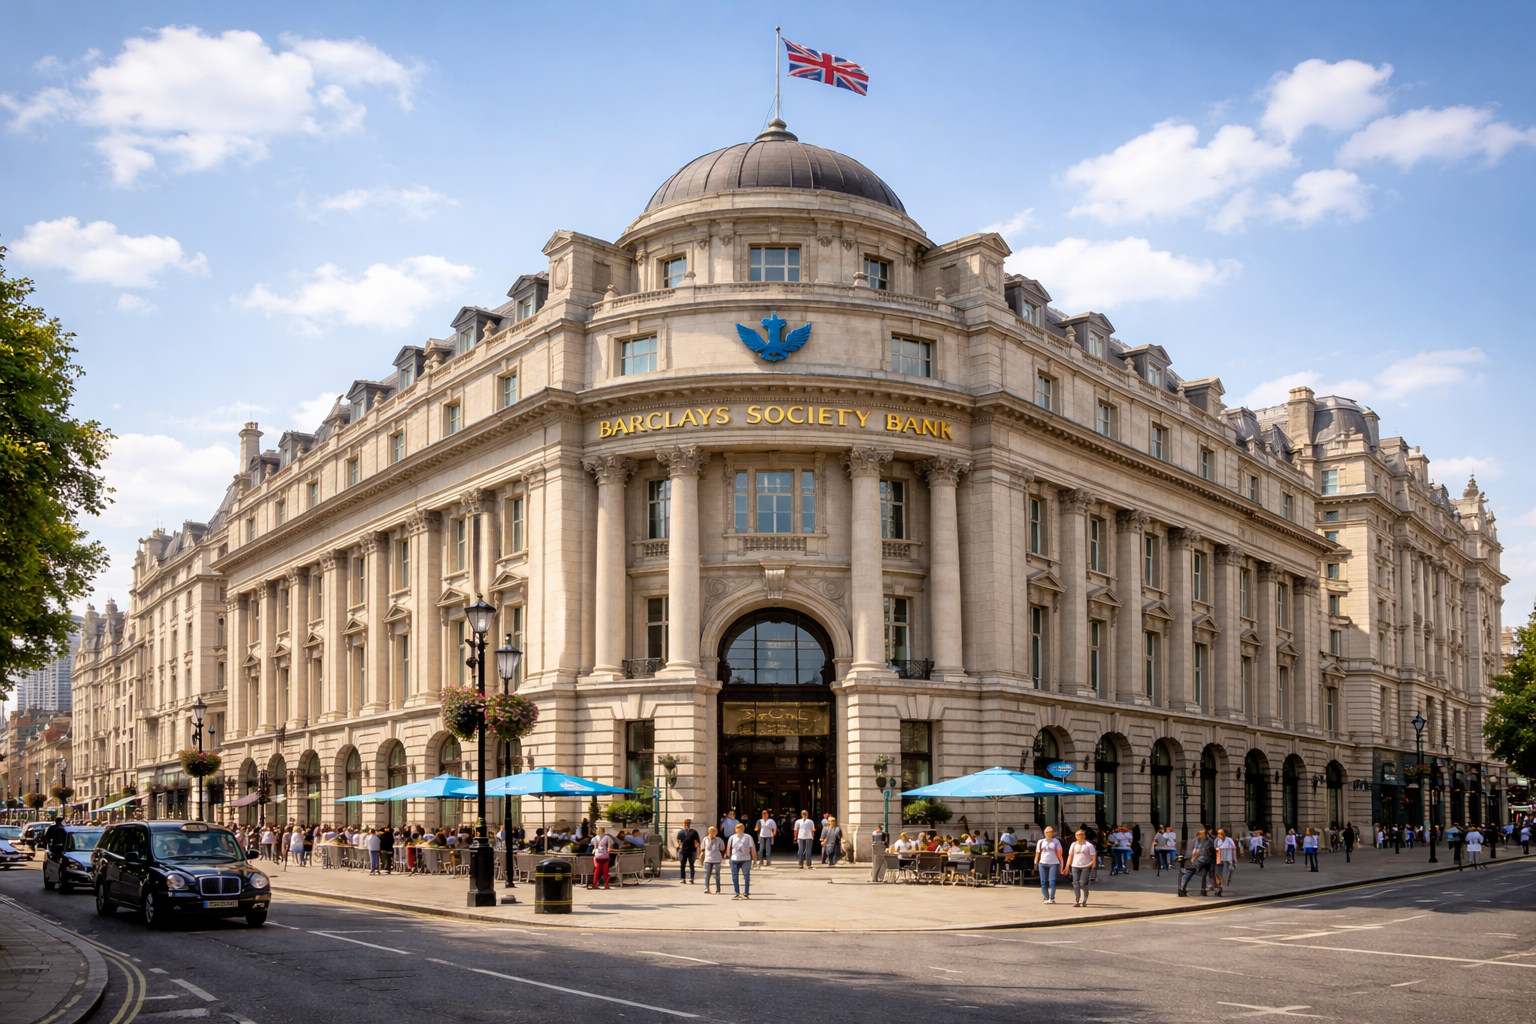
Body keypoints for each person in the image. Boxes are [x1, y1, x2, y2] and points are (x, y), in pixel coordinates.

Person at [1180, 829, 1215, 897]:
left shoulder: (1205, 841)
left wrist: (1193, 859)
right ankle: (1203, 889)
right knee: (1200, 872)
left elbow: (1197, 850)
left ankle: (1182, 888)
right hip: (1207, 860)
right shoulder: (1208, 840)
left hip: (1202, 859)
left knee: (1187, 869)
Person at [727, 821, 756, 899]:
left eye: (741, 828)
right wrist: (728, 857)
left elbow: (752, 848)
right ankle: (737, 892)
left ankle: (746, 892)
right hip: (734, 859)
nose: (739, 830)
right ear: (735, 830)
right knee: (734, 876)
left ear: (743, 829)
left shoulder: (748, 837)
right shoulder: (732, 837)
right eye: (737, 828)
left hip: (746, 859)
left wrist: (755, 859)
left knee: (746, 876)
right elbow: (729, 848)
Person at [1068, 829, 1097, 907]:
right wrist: (1067, 866)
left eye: (1080, 835)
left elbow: (1093, 855)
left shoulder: (1088, 845)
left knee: (1083, 883)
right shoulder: (1073, 844)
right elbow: (1070, 855)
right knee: (1075, 883)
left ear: (1084, 836)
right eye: (1077, 835)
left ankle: (1084, 899)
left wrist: (1093, 865)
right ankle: (1077, 900)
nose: (1079, 836)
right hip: (1075, 865)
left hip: (1086, 866)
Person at [1034, 825, 1062, 904]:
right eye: (1046, 832)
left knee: (1052, 881)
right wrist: (1035, 862)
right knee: (1043, 881)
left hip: (1054, 863)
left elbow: (1060, 853)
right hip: (1042, 863)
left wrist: (1061, 863)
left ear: (1053, 833)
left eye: (1050, 832)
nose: (1048, 834)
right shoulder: (1041, 842)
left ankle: (1052, 898)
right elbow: (1037, 853)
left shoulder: (1056, 841)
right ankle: (1046, 897)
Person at [700, 826, 725, 893]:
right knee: (710, 874)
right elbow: (722, 848)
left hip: (715, 859)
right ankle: (708, 888)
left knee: (712, 874)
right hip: (709, 859)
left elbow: (722, 848)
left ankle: (715, 889)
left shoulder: (718, 839)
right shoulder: (706, 839)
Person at [675, 819, 700, 883]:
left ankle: (683, 879)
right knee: (691, 865)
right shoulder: (694, 832)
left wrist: (679, 846)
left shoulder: (681, 832)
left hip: (683, 850)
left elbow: (678, 841)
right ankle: (692, 878)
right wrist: (697, 848)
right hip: (692, 850)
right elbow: (696, 842)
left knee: (683, 865)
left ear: (684, 824)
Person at [1214, 828, 1237, 893]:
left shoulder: (1229, 840)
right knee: (1217, 872)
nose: (1219, 835)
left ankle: (1222, 884)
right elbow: (1215, 847)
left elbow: (1233, 848)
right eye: (1218, 833)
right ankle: (1219, 884)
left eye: (1221, 833)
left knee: (1225, 871)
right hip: (1219, 858)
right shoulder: (1216, 840)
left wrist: (1234, 858)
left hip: (1227, 858)